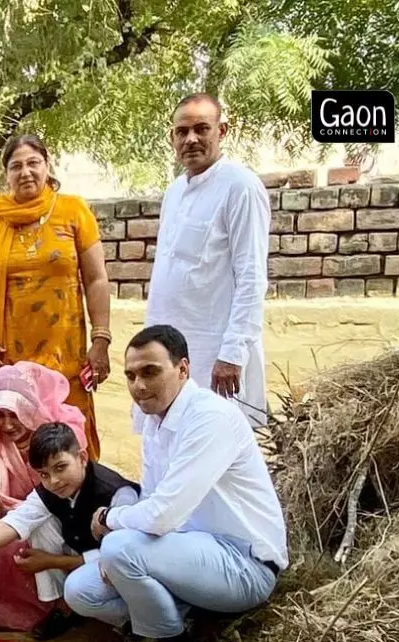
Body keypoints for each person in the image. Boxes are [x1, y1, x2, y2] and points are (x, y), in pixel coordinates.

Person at [67, 325, 287, 642]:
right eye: (130, 376)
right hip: (187, 557)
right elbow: (152, 502)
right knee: (79, 590)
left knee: (117, 548)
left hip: (243, 567)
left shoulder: (210, 417)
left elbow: (161, 516)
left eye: (150, 372)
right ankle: (183, 619)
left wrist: (111, 518)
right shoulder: (155, 420)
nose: (138, 386)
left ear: (183, 369)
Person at [0, 134, 111, 458]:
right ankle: (20, 506)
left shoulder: (73, 210)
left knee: (71, 444)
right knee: (17, 442)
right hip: (9, 357)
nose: (26, 172)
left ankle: (80, 507)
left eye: (33, 163)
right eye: (16, 166)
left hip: (65, 356)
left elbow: (97, 279)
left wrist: (101, 339)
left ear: (47, 165)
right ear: (6, 174)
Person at [0, 423, 140, 639]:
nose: (54, 481)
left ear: (82, 457)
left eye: (60, 467)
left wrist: (51, 561)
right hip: (91, 558)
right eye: (43, 474)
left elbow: (123, 554)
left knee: (78, 592)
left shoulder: (118, 494)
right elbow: (14, 522)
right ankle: (63, 609)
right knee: (38, 523)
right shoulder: (52, 490)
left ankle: (136, 622)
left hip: (125, 567)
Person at [147, 94, 270, 427]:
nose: (191, 139)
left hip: (216, 354)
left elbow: (252, 276)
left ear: (222, 131)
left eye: (202, 128)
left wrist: (231, 354)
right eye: (182, 131)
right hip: (172, 351)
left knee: (218, 449)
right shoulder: (174, 192)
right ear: (171, 137)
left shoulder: (240, 187)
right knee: (172, 442)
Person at [0, 362, 88, 633]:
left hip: (62, 519)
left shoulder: (60, 434)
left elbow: (60, 500)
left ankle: (61, 607)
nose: (7, 425)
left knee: (37, 525)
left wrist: (9, 510)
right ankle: (0, 609)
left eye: (16, 413)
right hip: (17, 516)